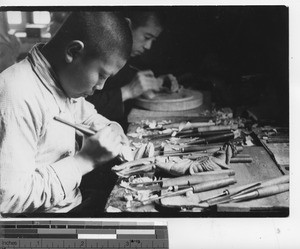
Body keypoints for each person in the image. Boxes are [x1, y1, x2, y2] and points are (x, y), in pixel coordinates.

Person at [0, 12, 132, 214]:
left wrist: (111, 127)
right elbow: (9, 198)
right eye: (101, 75)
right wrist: (83, 161)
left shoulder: (63, 80)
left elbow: (88, 116)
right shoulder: (17, 93)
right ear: (73, 51)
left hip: (73, 201)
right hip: (40, 228)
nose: (101, 86)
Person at [86, 11, 178, 127]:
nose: (148, 46)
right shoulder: (98, 53)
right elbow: (80, 108)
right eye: (146, 37)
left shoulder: (131, 58)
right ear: (127, 26)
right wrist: (128, 91)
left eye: (152, 40)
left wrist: (159, 82)